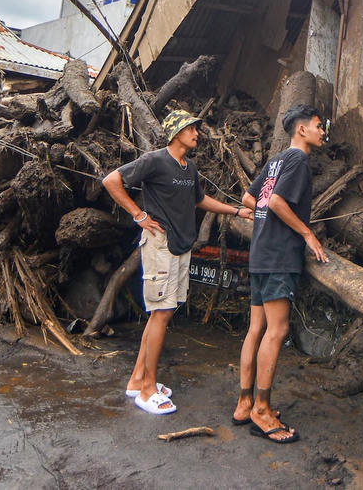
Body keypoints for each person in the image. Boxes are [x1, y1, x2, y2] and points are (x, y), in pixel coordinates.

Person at [103, 108, 253, 415]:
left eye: (196, 129)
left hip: (180, 245)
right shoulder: (155, 160)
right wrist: (139, 215)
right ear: (175, 133)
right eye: (190, 129)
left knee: (162, 313)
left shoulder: (189, 167)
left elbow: (200, 200)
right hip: (159, 243)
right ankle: (147, 390)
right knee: (161, 312)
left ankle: (136, 380)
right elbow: (111, 180)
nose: (196, 133)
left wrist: (236, 211)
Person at [232, 103, 328, 444]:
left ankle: (245, 402)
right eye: (318, 125)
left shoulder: (275, 161)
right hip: (279, 257)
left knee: (256, 328)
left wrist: (263, 224)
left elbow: (248, 198)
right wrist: (306, 233)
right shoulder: (299, 160)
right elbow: (274, 202)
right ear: (301, 130)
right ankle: (262, 408)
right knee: (277, 329)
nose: (322, 130)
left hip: (260, 252)